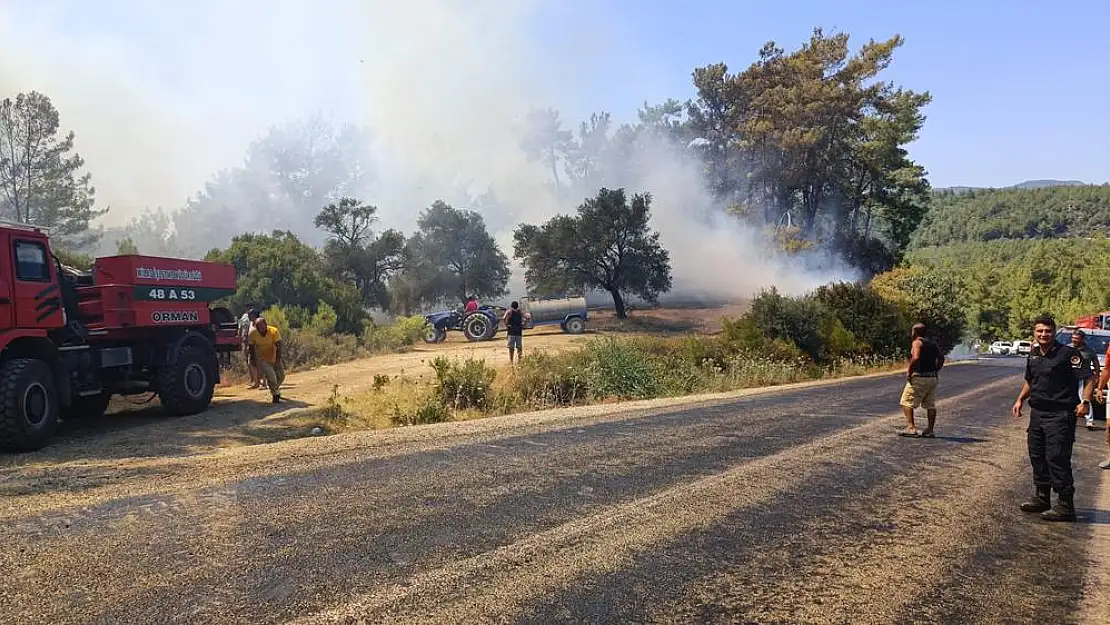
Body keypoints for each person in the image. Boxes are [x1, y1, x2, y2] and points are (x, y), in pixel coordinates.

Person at [1012, 314, 1094, 522]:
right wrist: (1020, 400)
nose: (1043, 334)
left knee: (1057, 457)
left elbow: (1089, 377)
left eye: (1047, 331)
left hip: (1061, 415)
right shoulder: (1034, 354)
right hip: (1038, 413)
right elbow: (1030, 381)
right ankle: (1042, 498)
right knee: (1037, 455)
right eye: (1040, 331)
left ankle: (1066, 506)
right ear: (1034, 332)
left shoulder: (1068, 354)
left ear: (1054, 332)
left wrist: (1084, 401)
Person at [898, 322, 944, 438]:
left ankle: (911, 428)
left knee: (906, 401)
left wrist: (909, 370)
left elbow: (916, 357)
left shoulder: (917, 343)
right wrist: (936, 369)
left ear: (915, 332)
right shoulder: (933, 344)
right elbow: (941, 357)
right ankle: (930, 430)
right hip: (932, 378)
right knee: (930, 405)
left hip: (919, 377)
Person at [248, 316, 285, 403]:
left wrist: (278, 360)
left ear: (266, 324)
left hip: (275, 356)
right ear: (256, 327)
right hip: (263, 358)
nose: (261, 329)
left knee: (281, 376)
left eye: (262, 326)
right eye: (258, 327)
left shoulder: (273, 331)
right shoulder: (252, 334)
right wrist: (253, 359)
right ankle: (275, 394)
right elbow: (251, 347)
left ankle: (273, 387)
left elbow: (279, 346)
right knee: (272, 377)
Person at [1070, 329, 1102, 430]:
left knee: (1085, 399)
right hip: (1070, 378)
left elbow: (1096, 363)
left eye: (1077, 339)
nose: (1074, 341)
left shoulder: (1089, 350)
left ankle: (1089, 421)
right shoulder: (1067, 348)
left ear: (1082, 339)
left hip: (1084, 378)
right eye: (1073, 339)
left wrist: (1097, 376)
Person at [238, 305, 264, 390]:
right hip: (249, 345)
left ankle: (262, 382)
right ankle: (256, 381)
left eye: (249, 314)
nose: (248, 315)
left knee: (259, 363)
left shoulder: (258, 321)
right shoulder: (249, 321)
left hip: (257, 345)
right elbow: (242, 330)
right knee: (251, 363)